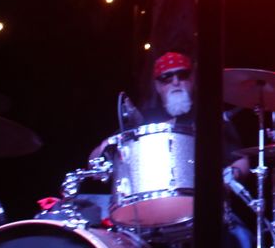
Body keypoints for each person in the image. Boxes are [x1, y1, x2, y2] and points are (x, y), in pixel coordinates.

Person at [90, 52, 253, 248]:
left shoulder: (212, 118)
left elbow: (241, 160)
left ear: (192, 79)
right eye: (166, 78)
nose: (176, 82)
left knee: (242, 238)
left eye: (182, 75)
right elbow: (95, 158)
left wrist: (229, 176)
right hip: (149, 217)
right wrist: (107, 146)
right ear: (158, 86)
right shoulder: (143, 121)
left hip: (205, 209)